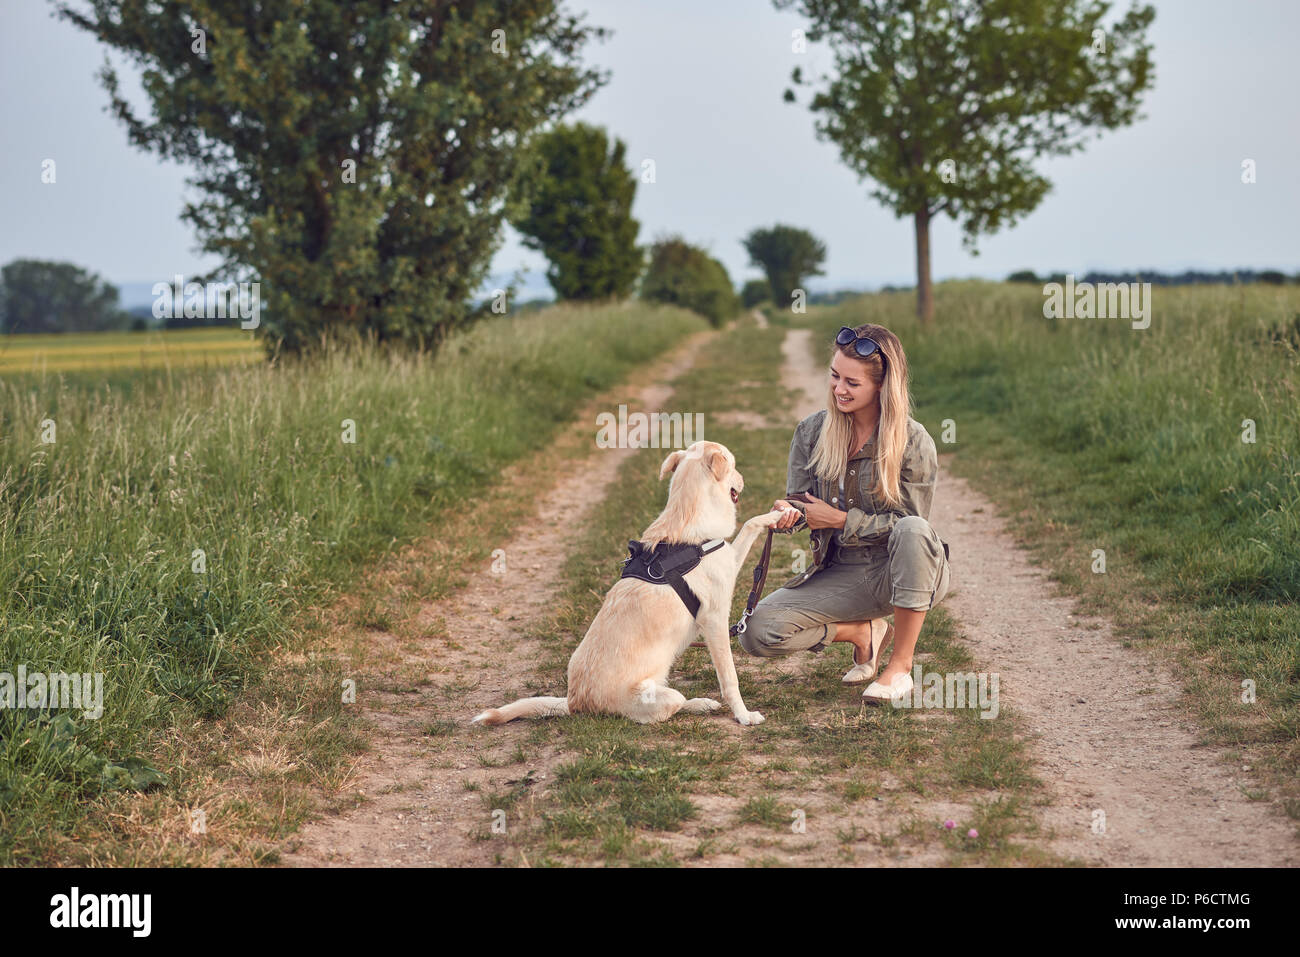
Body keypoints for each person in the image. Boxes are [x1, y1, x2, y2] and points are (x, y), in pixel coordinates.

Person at [738, 323, 951, 704]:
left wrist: (840, 520)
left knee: (915, 530)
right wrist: (792, 513)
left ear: (881, 388)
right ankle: (861, 632)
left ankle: (900, 668)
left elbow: (909, 525)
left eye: (852, 383)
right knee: (756, 632)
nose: (839, 389)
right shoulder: (810, 432)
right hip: (840, 571)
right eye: (835, 376)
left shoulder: (913, 440)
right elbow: (803, 504)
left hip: (900, 571)